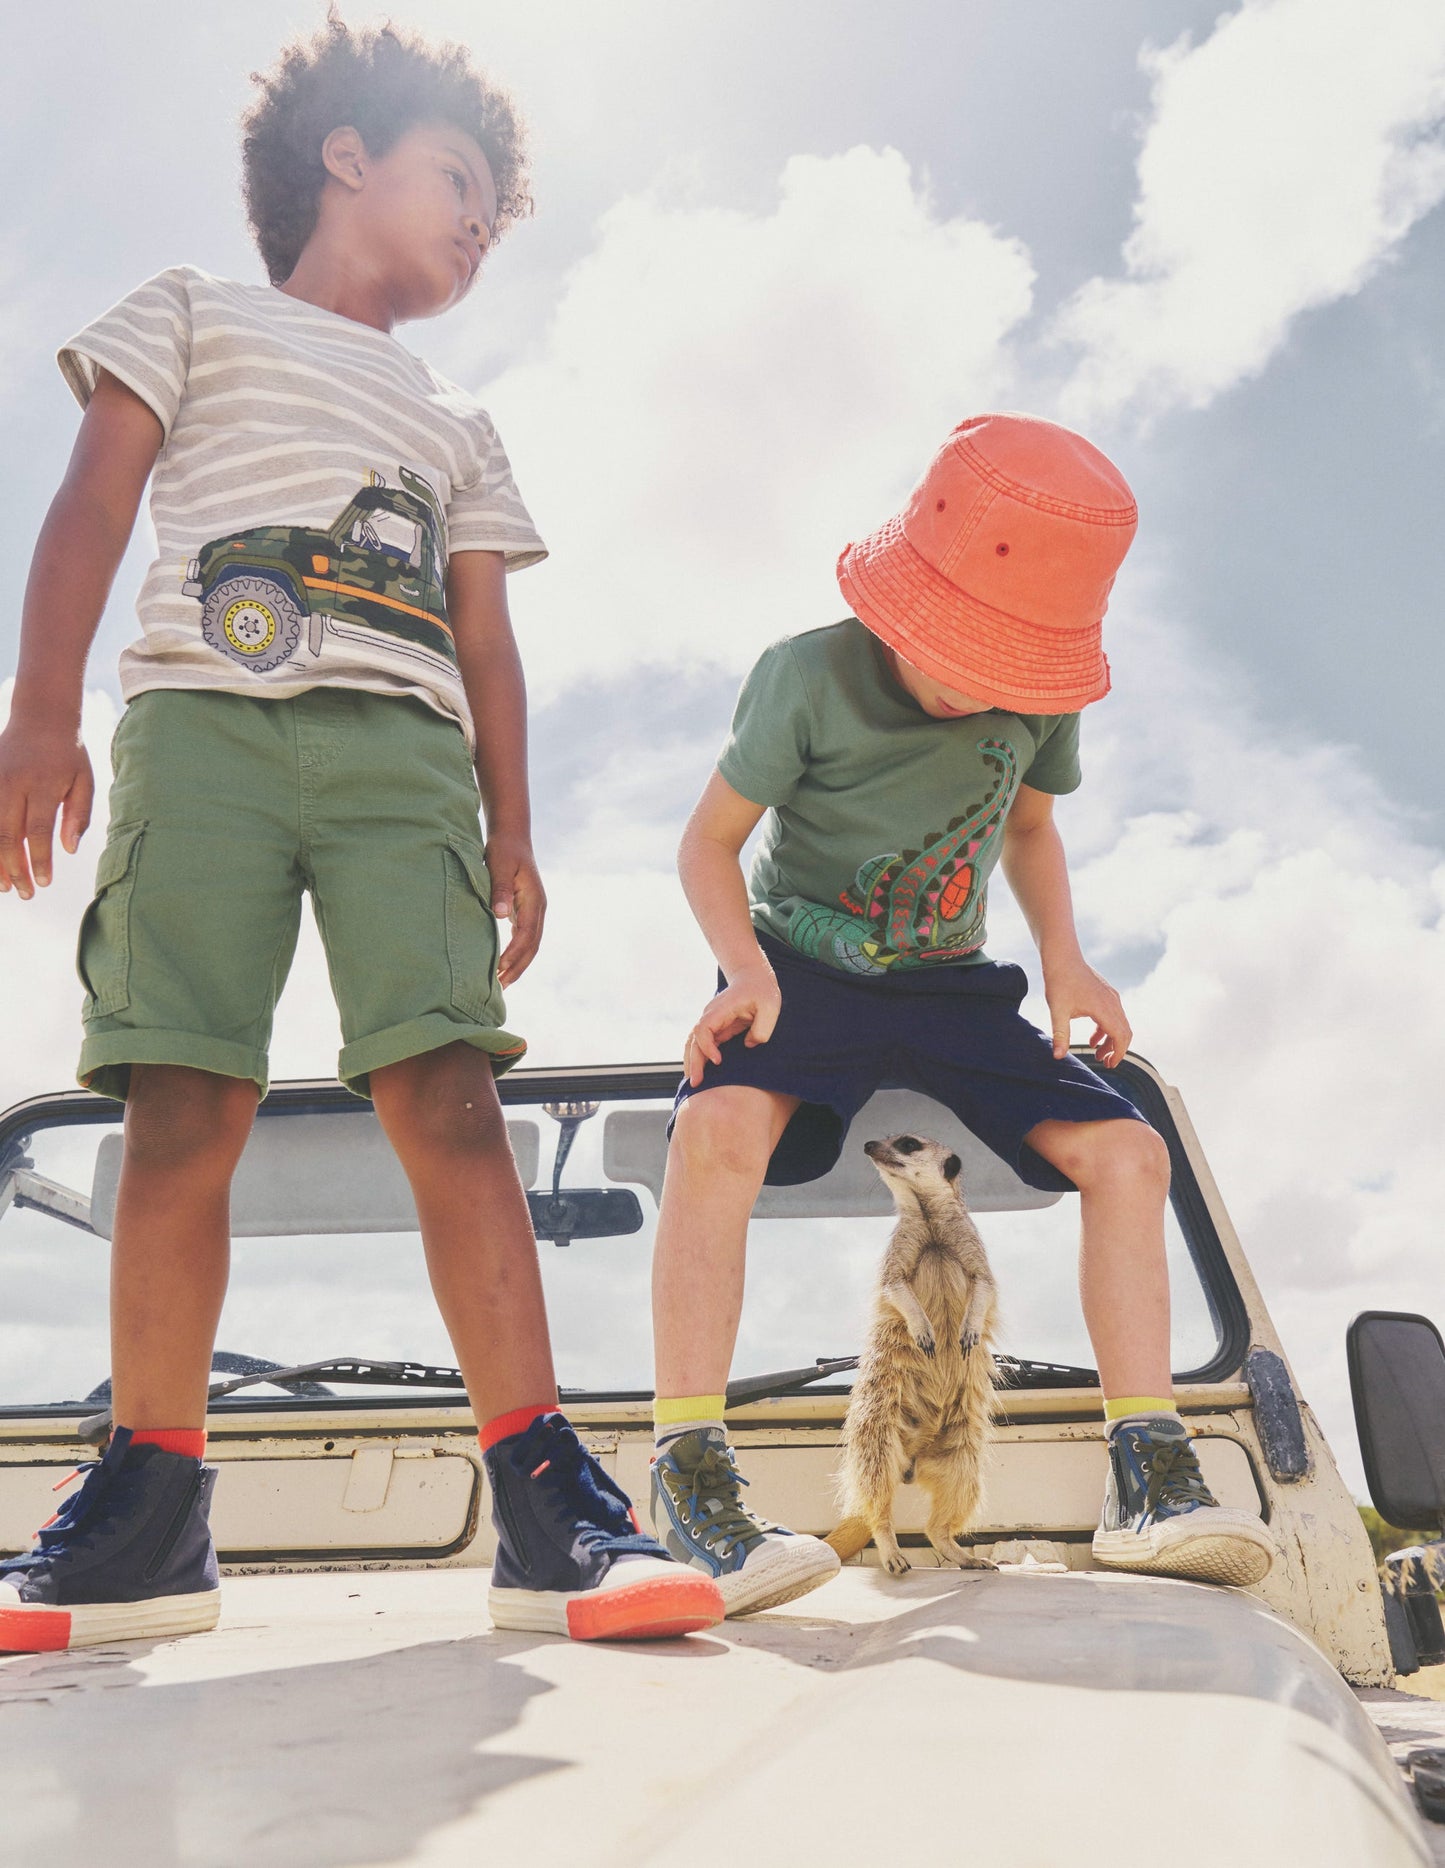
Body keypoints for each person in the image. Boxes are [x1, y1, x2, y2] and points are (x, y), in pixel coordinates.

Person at [0, 19, 722, 1651]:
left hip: (405, 762)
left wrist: (514, 826)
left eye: (491, 210)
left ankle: (544, 1493)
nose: (477, 225)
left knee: (449, 1091)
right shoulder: (187, 310)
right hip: (202, 731)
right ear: (346, 154)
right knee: (181, 1099)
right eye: (459, 181)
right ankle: (149, 1499)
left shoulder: (455, 416)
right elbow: (95, 497)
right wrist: (39, 711)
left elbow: (487, 640)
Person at [648, 412, 1277, 1612]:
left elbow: (1030, 826)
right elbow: (708, 843)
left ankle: (1145, 1473)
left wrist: (1068, 964)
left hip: (951, 980)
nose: (980, 693)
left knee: (1129, 1150)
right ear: (900, 605)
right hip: (799, 964)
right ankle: (688, 1471)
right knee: (709, 1132)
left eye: (1006, 675)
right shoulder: (804, 676)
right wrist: (739, 969)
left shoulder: (1037, 695)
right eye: (961, 659)